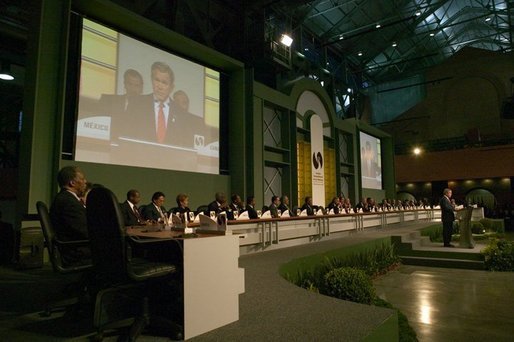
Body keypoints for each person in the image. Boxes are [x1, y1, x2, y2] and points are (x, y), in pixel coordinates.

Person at [127, 62, 205, 148]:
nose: (160, 86)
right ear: (152, 80)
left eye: (164, 83)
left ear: (171, 87)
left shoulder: (180, 112)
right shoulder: (137, 104)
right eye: (157, 80)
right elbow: (126, 135)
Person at [49, 166, 90, 266]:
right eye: (82, 179)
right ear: (72, 183)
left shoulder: (65, 199)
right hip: (76, 251)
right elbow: (85, 231)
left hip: (74, 247)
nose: (85, 182)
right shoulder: (68, 202)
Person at [97, 69, 144, 141]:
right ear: (125, 84)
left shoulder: (146, 109)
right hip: (107, 144)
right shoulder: (108, 101)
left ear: (141, 88)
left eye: (136, 85)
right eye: (130, 84)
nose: (133, 89)